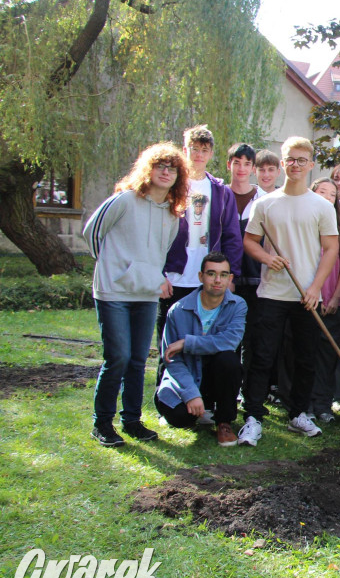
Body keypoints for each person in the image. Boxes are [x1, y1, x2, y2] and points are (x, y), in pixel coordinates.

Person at [83, 142, 189, 447]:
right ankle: (102, 423)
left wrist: (150, 277)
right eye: (161, 166)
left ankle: (131, 421)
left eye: (173, 169)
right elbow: (92, 233)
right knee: (117, 357)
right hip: (113, 292)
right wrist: (113, 268)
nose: (166, 172)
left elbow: (159, 254)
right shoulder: (125, 200)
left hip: (145, 295)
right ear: (149, 169)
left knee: (138, 359)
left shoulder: (172, 215)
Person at [237, 137, 340, 447]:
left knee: (305, 358)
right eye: (289, 160)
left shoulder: (322, 206)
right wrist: (268, 258)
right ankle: (253, 416)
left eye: (301, 160)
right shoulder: (265, 204)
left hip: (306, 296)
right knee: (262, 356)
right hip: (271, 293)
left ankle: (298, 413)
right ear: (283, 164)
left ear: (310, 165)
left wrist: (315, 287)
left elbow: (332, 248)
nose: (295, 165)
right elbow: (250, 241)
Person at [157, 125, 244, 387]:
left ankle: (204, 397)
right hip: (173, 276)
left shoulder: (220, 191)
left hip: (206, 279)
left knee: (205, 338)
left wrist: (230, 275)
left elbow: (232, 236)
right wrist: (158, 274)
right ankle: (166, 395)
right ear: (185, 150)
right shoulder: (172, 185)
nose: (198, 155)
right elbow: (156, 235)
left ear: (211, 154)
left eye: (204, 150)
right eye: (194, 149)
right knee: (169, 339)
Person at [155, 252, 247, 446]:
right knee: (180, 418)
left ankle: (223, 422)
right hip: (187, 377)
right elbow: (172, 361)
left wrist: (187, 343)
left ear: (230, 278)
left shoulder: (237, 305)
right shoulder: (178, 310)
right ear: (201, 277)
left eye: (223, 275)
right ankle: (198, 408)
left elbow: (230, 340)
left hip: (215, 375)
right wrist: (190, 394)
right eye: (211, 274)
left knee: (229, 360)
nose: (217, 280)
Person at [305, 178, 340, 424]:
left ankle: (323, 405)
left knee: (327, 358)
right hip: (307, 303)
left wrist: (334, 297)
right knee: (306, 356)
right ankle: (305, 406)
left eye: (332, 194)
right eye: (321, 192)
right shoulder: (304, 230)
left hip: (333, 306)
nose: (326, 197)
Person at [226, 143, 265, 401]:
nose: (241, 168)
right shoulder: (219, 195)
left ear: (253, 168)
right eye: (236, 162)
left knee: (251, 340)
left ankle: (247, 394)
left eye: (246, 164)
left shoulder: (263, 199)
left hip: (255, 280)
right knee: (227, 339)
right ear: (229, 165)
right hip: (224, 281)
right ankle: (224, 391)